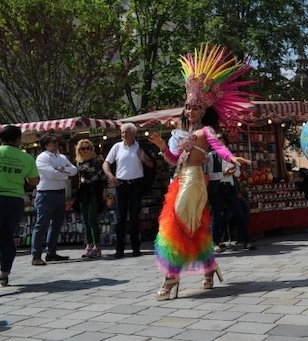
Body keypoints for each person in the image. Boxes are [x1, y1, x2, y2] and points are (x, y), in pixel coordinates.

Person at [148, 44, 253, 301]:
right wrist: (163, 147)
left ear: (203, 111)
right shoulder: (181, 135)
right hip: (179, 180)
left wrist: (232, 157)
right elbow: (175, 159)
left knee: (177, 225)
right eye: (187, 106)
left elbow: (219, 148)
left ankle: (171, 277)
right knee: (190, 226)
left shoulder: (204, 133)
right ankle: (209, 267)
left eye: (195, 107)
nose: (190, 110)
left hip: (195, 180)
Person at [0, 125, 39, 297]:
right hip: (15, 200)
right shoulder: (25, 157)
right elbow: (34, 181)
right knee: (7, 238)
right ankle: (4, 276)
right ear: (17, 139)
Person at [102, 122, 154, 259]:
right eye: (123, 132)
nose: (124, 135)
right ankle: (119, 249)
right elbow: (106, 163)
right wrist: (111, 177)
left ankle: (136, 247)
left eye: (127, 132)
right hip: (121, 185)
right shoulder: (117, 147)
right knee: (120, 218)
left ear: (133, 134)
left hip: (136, 184)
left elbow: (151, 164)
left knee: (135, 217)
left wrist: (144, 159)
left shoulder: (140, 146)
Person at [31, 134, 77, 265]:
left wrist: (62, 171)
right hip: (46, 194)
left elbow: (74, 170)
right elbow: (51, 174)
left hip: (60, 193)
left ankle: (51, 252)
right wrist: (65, 175)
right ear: (46, 145)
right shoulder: (42, 157)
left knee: (56, 224)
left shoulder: (61, 157)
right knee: (41, 225)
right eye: (53, 142)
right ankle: (36, 255)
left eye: (57, 142)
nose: (56, 144)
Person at [209, 134, 256, 251]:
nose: (219, 141)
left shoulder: (231, 156)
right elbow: (209, 175)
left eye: (221, 138)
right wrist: (223, 174)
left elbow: (238, 174)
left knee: (239, 214)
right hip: (217, 188)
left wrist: (233, 171)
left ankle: (246, 240)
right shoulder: (211, 156)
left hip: (229, 188)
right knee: (217, 217)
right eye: (216, 139)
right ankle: (215, 243)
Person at [75, 139, 107, 259]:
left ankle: (97, 246)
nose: (86, 150)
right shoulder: (79, 162)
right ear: (79, 150)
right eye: (83, 148)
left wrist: (105, 191)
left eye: (88, 148)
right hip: (83, 191)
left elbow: (103, 177)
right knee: (85, 220)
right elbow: (79, 178)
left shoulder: (97, 161)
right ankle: (88, 245)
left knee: (92, 219)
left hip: (95, 190)